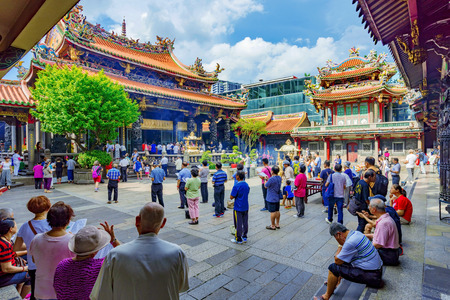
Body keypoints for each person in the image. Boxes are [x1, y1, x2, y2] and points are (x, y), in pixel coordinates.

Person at [90, 203, 189, 299]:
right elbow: (181, 286)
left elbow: (101, 294)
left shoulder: (114, 256)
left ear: (137, 220)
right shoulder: (177, 253)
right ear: (163, 223)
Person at [315, 223, 383, 300]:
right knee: (344, 260)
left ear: (338, 234)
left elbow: (337, 261)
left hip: (373, 276)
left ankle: (326, 296)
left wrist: (340, 246)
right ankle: (336, 282)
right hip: (377, 270)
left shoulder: (350, 242)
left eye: (335, 238)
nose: (336, 240)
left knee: (333, 268)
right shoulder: (356, 233)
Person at [54, 224, 118, 300]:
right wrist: (113, 240)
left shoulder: (62, 265)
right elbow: (124, 256)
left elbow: (57, 289)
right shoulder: (101, 266)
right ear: (94, 252)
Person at [29, 201, 76, 300]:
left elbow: (34, 260)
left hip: (41, 290)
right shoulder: (72, 241)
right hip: (63, 291)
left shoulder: (37, 239)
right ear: (68, 221)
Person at [14, 196, 52, 300]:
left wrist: (30, 243)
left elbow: (16, 248)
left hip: (33, 265)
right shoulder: (51, 224)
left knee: (35, 293)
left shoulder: (25, 226)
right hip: (49, 264)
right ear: (48, 208)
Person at [362, 199, 400, 266]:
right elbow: (379, 236)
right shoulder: (386, 218)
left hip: (387, 255)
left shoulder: (383, 223)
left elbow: (378, 244)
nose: (368, 208)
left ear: (374, 209)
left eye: (369, 206)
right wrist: (365, 235)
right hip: (391, 253)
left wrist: (364, 249)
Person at [0, 217, 31, 298]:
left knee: (28, 257)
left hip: (6, 272)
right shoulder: (4, 245)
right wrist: (25, 268)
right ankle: (22, 297)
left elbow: (12, 254)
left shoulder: (6, 239)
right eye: (15, 225)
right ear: (11, 229)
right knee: (32, 274)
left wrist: (29, 250)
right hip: (3, 277)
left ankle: (19, 289)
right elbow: (6, 268)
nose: (16, 226)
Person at [230, 171, 250, 244]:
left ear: (238, 176)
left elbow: (231, 196)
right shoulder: (246, 185)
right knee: (245, 222)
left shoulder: (236, 186)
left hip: (238, 207)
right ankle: (244, 236)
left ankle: (238, 238)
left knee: (238, 223)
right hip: (245, 206)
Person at [265, 166, 282, 230]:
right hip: (277, 197)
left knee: (272, 211)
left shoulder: (271, 179)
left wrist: (265, 180)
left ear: (272, 171)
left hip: (271, 197)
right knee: (277, 210)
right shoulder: (279, 177)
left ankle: (272, 225)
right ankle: (277, 224)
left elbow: (266, 186)